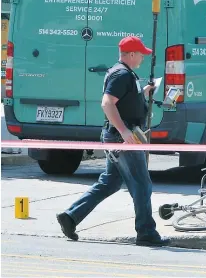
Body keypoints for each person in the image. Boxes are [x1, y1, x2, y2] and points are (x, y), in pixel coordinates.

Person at [56, 36, 168, 247]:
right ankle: (146, 233)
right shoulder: (122, 74)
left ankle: (70, 217)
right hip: (122, 138)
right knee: (142, 184)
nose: (143, 58)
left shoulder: (123, 73)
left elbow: (124, 99)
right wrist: (125, 132)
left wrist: (144, 92)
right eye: (141, 54)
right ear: (132, 54)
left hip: (115, 136)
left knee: (110, 182)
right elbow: (107, 104)